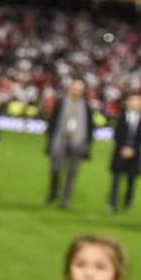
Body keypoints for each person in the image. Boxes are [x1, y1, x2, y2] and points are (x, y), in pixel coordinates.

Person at [46, 79, 95, 209]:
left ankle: (66, 199)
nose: (76, 91)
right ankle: (53, 192)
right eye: (74, 88)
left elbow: (90, 127)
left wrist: (87, 145)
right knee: (56, 169)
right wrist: (50, 140)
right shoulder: (61, 102)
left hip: (77, 142)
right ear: (70, 89)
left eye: (79, 89)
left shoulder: (86, 107)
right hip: (60, 139)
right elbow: (52, 121)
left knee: (72, 173)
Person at [106, 93, 141, 214]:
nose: (136, 103)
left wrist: (132, 149)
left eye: (138, 101)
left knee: (131, 180)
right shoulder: (121, 117)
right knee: (116, 179)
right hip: (120, 152)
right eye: (133, 100)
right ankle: (112, 204)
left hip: (135, 155)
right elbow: (116, 135)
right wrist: (123, 148)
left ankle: (127, 204)